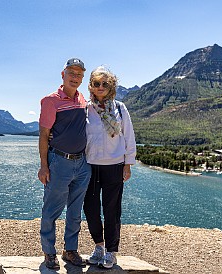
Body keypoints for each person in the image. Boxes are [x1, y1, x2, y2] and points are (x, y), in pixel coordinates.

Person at [38, 58, 92, 269]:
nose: (75, 77)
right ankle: (49, 252)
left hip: (82, 164)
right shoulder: (50, 101)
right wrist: (44, 165)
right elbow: (43, 135)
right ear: (63, 74)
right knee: (51, 209)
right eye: (72, 73)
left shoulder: (83, 101)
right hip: (59, 162)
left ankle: (70, 250)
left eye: (79, 74)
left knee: (75, 212)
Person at [83, 66, 137, 268]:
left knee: (112, 210)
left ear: (111, 86)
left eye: (104, 83)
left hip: (114, 165)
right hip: (90, 165)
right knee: (90, 208)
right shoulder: (85, 108)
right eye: (96, 83)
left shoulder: (120, 109)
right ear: (91, 86)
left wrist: (128, 164)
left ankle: (112, 251)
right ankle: (99, 246)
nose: (100, 87)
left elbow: (129, 137)